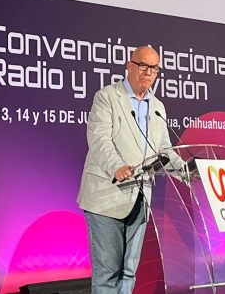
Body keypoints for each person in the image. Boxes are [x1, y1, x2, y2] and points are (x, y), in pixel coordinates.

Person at [77, 45, 185, 294]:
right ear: (130, 66)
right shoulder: (107, 96)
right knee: (107, 274)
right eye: (143, 66)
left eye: (154, 68)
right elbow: (99, 139)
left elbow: (164, 150)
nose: (148, 73)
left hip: (140, 196)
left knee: (129, 272)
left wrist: (186, 172)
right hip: (106, 195)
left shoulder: (157, 106)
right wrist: (116, 166)